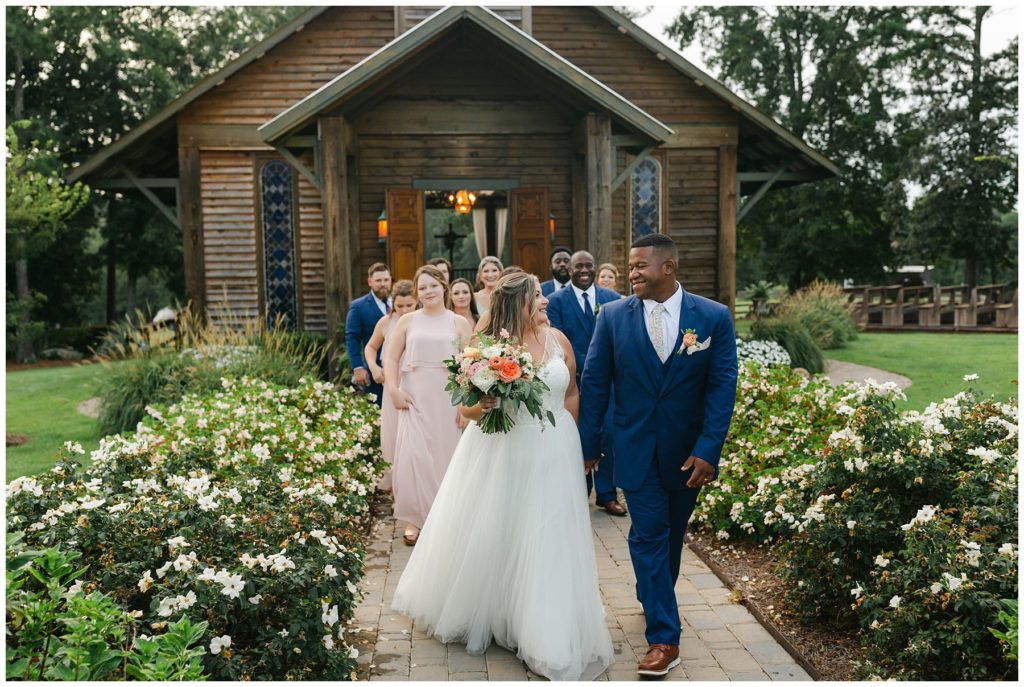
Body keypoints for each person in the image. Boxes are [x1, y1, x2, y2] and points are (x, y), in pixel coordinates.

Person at [392, 273, 614, 681]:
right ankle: (501, 610)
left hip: (556, 448)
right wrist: (487, 400)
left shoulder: (558, 340)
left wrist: (580, 445)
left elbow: (570, 394)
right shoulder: (488, 348)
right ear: (519, 303)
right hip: (507, 448)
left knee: (550, 532)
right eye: (538, 296)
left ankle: (544, 617)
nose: (545, 301)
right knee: (504, 528)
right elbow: (468, 411)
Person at [578, 234, 738, 678]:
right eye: (629, 266)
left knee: (671, 537)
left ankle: (653, 597)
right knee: (648, 535)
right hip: (633, 448)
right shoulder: (611, 317)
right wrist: (588, 446)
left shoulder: (712, 317)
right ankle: (664, 638)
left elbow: (722, 387)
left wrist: (709, 449)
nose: (632, 273)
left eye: (640, 266)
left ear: (668, 267)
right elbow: (595, 383)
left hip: (688, 454)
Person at [385, 266, 473, 545]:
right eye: (422, 288)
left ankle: (445, 519)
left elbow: (470, 364)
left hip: (448, 400)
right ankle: (416, 519)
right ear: (416, 292)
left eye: (433, 286)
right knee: (414, 457)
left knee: (445, 458)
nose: (428, 292)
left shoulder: (458, 323)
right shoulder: (408, 321)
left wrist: (466, 404)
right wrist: (393, 389)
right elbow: (390, 358)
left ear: (443, 287)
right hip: (415, 397)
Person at [546, 250, 625, 517]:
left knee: (609, 433)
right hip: (574, 380)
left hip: (610, 381)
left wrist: (604, 365)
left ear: (594, 268)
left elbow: (617, 338)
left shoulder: (611, 299)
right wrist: (591, 363)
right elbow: (558, 337)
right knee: (579, 433)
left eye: (588, 266)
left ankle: (607, 494)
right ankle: (580, 492)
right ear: (569, 269)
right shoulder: (556, 301)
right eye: (578, 265)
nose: (583, 270)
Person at [363, 280, 417, 491]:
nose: (404, 310)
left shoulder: (420, 322)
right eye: (400, 305)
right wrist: (374, 368)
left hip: (415, 386)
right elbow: (370, 347)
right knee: (393, 436)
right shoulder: (385, 323)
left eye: (409, 305)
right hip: (392, 386)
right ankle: (398, 487)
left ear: (416, 303)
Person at [346, 262, 392, 406]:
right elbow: (352, 338)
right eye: (378, 281)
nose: (383, 284)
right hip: (375, 371)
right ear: (370, 282)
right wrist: (358, 367)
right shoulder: (358, 306)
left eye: (386, 280)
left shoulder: (401, 303)